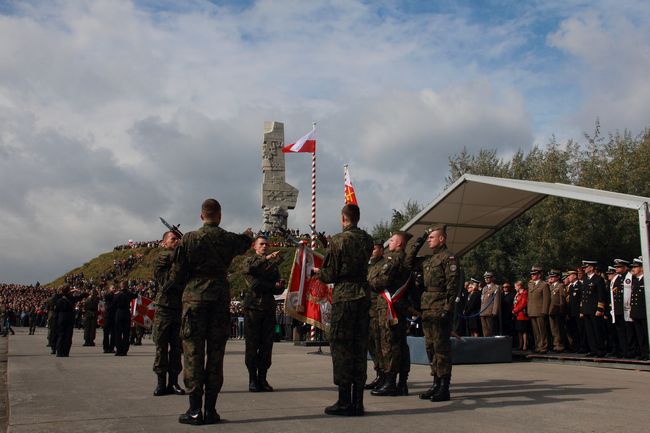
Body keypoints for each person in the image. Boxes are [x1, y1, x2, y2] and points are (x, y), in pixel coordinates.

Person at [169, 198, 253, 425]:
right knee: (216, 355)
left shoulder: (188, 239)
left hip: (194, 300)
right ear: (220, 215)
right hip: (218, 299)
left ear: (201, 216)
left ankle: (194, 409)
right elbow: (244, 242)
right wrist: (247, 235)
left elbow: (176, 276)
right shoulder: (226, 238)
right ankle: (211, 410)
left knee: (193, 353)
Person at [314, 204, 373, 416]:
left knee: (341, 347)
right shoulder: (368, 240)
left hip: (345, 296)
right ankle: (358, 402)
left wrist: (318, 272)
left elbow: (329, 274)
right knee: (359, 347)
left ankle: (343, 400)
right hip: (363, 295)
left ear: (343, 218)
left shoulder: (339, 240)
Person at [405, 224, 459, 402]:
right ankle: (435, 383)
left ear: (441, 239)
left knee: (441, 348)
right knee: (430, 347)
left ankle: (444, 386)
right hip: (427, 307)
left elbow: (453, 286)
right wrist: (419, 240)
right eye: (428, 238)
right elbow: (409, 262)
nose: (429, 239)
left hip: (440, 306)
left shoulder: (448, 258)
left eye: (432, 237)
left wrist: (448, 308)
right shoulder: (429, 259)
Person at [369, 231, 415, 397]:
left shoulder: (394, 259)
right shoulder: (401, 258)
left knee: (389, 344)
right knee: (399, 345)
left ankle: (390, 382)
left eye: (393, 240)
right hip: (396, 307)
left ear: (400, 244)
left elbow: (381, 281)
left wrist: (370, 280)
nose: (390, 243)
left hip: (390, 308)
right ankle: (401, 383)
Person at [241, 235, 285, 392]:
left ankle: (263, 378)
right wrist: (270, 284)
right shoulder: (249, 261)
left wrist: (279, 286)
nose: (265, 246)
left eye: (267, 244)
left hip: (268, 308)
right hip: (253, 308)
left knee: (267, 346)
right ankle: (252, 379)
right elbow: (254, 284)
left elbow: (275, 288)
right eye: (262, 244)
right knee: (252, 345)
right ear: (255, 246)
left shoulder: (272, 266)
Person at [152, 231, 185, 396]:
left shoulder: (180, 258)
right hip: (164, 308)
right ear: (164, 243)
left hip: (178, 308)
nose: (176, 241)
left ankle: (173, 382)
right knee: (161, 347)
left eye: (178, 239)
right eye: (173, 239)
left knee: (177, 348)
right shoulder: (162, 257)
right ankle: (160, 382)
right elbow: (170, 263)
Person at [365, 239, 385, 391]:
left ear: (381, 250)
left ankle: (384, 375)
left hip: (378, 309)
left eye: (375, 248)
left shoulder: (383, 265)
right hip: (367, 309)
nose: (372, 250)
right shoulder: (369, 265)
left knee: (380, 343)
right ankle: (378, 372)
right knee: (371, 343)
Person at [580, 260, 606, 357]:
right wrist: (582, 310)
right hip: (587, 309)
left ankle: (600, 349)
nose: (584, 269)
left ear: (591, 268)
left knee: (597, 330)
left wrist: (600, 309)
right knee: (589, 331)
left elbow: (601, 295)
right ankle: (593, 349)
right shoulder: (585, 279)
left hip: (594, 309)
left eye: (586, 267)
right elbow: (583, 296)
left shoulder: (598, 279)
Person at [55, 286, 88, 357]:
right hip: (69, 318)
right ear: (68, 291)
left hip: (61, 318)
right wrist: (77, 291)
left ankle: (59, 352)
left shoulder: (59, 299)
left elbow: (56, 310)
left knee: (61, 335)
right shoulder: (71, 299)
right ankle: (66, 352)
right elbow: (84, 295)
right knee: (68, 336)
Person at [527, 266, 550, 354]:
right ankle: (537, 346)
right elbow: (529, 299)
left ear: (539, 275)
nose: (532, 276)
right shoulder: (530, 284)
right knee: (535, 331)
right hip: (532, 310)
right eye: (532, 274)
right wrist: (528, 310)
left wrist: (545, 311)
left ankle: (543, 347)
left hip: (540, 310)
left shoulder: (544, 284)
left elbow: (546, 299)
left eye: (534, 274)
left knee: (542, 330)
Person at [630, 257, 648, 360]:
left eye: (636, 267)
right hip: (636, 312)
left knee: (646, 334)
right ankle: (643, 353)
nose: (633, 269)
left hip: (644, 312)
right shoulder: (635, 281)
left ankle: (647, 352)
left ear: (641, 268)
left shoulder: (646, 279)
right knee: (639, 335)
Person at [113, 280, 137, 356]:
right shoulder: (129, 294)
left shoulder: (117, 295)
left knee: (118, 333)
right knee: (126, 333)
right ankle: (125, 350)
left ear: (121, 286)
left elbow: (114, 304)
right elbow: (136, 295)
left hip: (119, 313)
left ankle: (118, 350)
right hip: (127, 314)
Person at [565, 270, 584, 352]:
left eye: (570, 275)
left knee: (580, 330)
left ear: (575, 276)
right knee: (573, 330)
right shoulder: (571, 287)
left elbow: (582, 299)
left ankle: (582, 346)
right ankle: (575, 346)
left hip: (578, 312)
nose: (568, 277)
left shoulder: (580, 285)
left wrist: (581, 311)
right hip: (571, 312)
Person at [547, 270, 566, 352]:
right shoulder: (550, 286)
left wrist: (562, 310)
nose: (551, 278)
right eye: (550, 277)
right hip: (551, 310)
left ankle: (560, 345)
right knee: (553, 329)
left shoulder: (560, 286)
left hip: (558, 310)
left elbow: (562, 299)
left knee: (559, 328)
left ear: (558, 277)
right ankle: (555, 345)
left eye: (553, 276)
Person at [479, 272, 500, 337]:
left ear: (491, 278)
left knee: (490, 329)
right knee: (484, 330)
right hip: (483, 311)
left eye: (488, 278)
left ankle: (491, 344)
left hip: (490, 311)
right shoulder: (484, 288)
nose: (486, 279)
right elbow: (482, 301)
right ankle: (486, 343)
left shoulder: (495, 288)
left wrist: (494, 311)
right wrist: (480, 311)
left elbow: (496, 300)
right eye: (485, 278)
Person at [512, 280, 529, 350]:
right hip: (517, 315)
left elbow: (523, 304)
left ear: (519, 286)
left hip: (522, 314)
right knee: (519, 330)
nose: (515, 288)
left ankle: (525, 345)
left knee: (524, 330)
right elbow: (515, 303)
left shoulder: (524, 293)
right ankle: (520, 344)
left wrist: (515, 310)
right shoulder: (517, 294)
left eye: (515, 286)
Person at [102, 285, 116, 354]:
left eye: (114, 288)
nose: (114, 289)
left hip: (113, 317)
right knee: (106, 333)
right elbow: (106, 297)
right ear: (110, 289)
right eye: (113, 288)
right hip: (108, 316)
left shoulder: (115, 296)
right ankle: (106, 347)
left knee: (113, 334)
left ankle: (111, 348)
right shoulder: (109, 295)